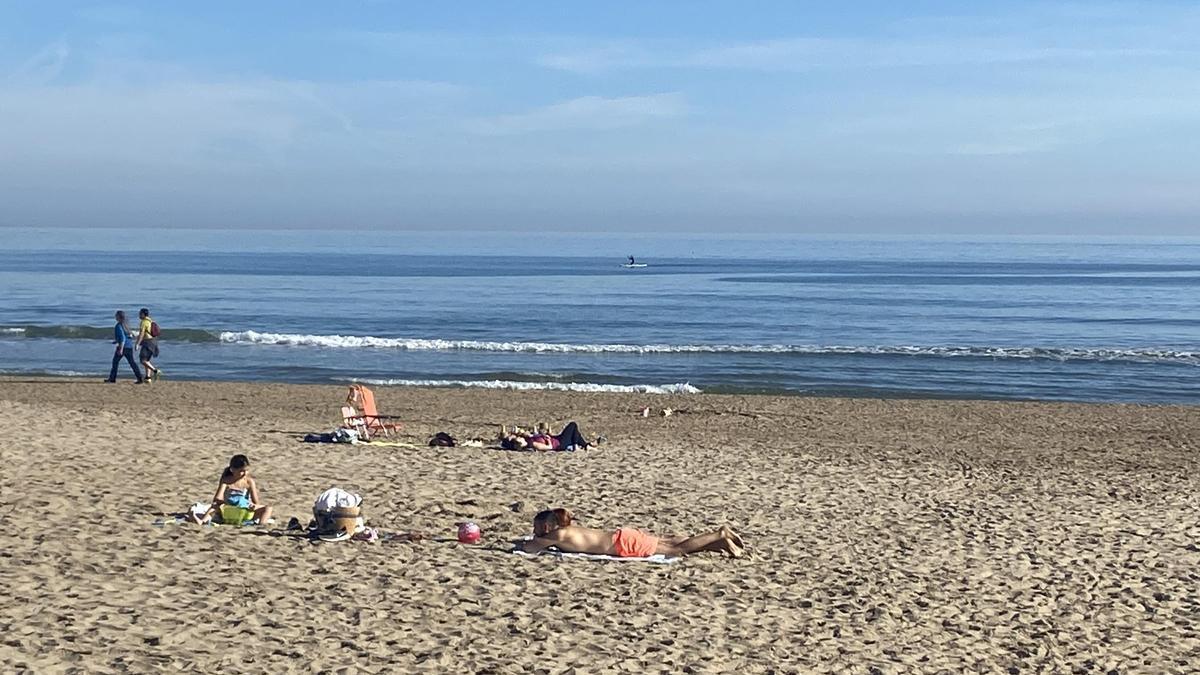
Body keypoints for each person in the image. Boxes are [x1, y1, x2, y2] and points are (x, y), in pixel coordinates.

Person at [516, 508, 745, 558]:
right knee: (670, 542)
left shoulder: (557, 536)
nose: (533, 532)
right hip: (622, 536)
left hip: (622, 545)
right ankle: (721, 544)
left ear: (545, 527)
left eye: (536, 528)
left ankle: (718, 534)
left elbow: (530, 548)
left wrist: (530, 541)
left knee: (676, 550)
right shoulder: (567, 530)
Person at [189, 454, 273, 526]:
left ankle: (261, 525)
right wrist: (225, 502)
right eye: (241, 471)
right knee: (214, 506)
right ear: (232, 470)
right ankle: (202, 521)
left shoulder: (249, 482)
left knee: (268, 508)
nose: (245, 473)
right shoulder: (226, 480)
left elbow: (256, 502)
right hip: (228, 511)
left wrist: (252, 506)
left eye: (246, 470)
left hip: (243, 511)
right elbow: (217, 498)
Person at [105, 310, 144, 384]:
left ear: (118, 317)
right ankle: (140, 378)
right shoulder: (126, 325)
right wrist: (116, 341)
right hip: (129, 346)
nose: (115, 317)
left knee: (115, 362)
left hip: (123, 347)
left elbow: (122, 338)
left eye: (116, 316)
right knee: (132, 363)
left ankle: (112, 379)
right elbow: (127, 336)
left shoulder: (118, 326)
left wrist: (121, 348)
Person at [501, 421, 591, 451]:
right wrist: (548, 439)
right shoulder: (533, 444)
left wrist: (547, 435)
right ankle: (576, 446)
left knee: (575, 433)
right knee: (573, 425)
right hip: (559, 444)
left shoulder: (528, 440)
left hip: (556, 439)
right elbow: (549, 447)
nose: (520, 437)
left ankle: (586, 446)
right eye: (519, 439)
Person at [135, 307, 161, 382]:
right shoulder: (150, 321)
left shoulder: (143, 322)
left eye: (140, 313)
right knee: (147, 360)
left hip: (148, 342)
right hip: (153, 341)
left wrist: (137, 343)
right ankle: (148, 377)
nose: (139, 315)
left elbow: (142, 334)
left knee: (142, 360)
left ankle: (155, 371)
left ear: (143, 314)